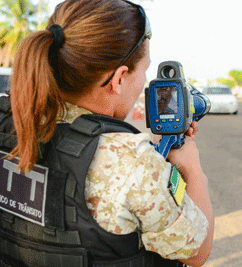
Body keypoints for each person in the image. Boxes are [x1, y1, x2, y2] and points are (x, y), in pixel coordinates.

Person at [0, 0, 214, 267]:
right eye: (145, 70)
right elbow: (195, 252)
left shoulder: (7, 118)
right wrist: (192, 169)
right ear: (119, 78)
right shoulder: (131, 161)